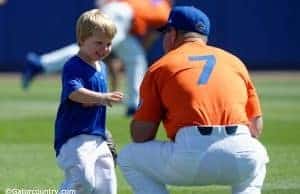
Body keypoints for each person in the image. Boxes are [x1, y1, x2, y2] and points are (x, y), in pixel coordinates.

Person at [117, 6, 269, 194]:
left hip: (189, 156)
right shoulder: (235, 62)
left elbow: (141, 135)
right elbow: (256, 128)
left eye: (166, 32)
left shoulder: (161, 66)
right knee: (259, 154)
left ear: (172, 34)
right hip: (241, 154)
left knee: (128, 156)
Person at [22, 0, 172, 116]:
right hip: (121, 15)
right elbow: (150, 38)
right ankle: (41, 63)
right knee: (91, 49)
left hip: (117, 11)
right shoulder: (165, 10)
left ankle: (133, 105)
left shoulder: (152, 3)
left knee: (135, 58)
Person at [54, 9, 124, 194]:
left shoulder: (101, 67)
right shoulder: (74, 65)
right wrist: (103, 98)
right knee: (83, 182)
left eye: (108, 43)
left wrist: (103, 132)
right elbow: (74, 93)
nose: (104, 48)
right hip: (74, 138)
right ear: (81, 40)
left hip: (97, 137)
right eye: (98, 43)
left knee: (107, 185)